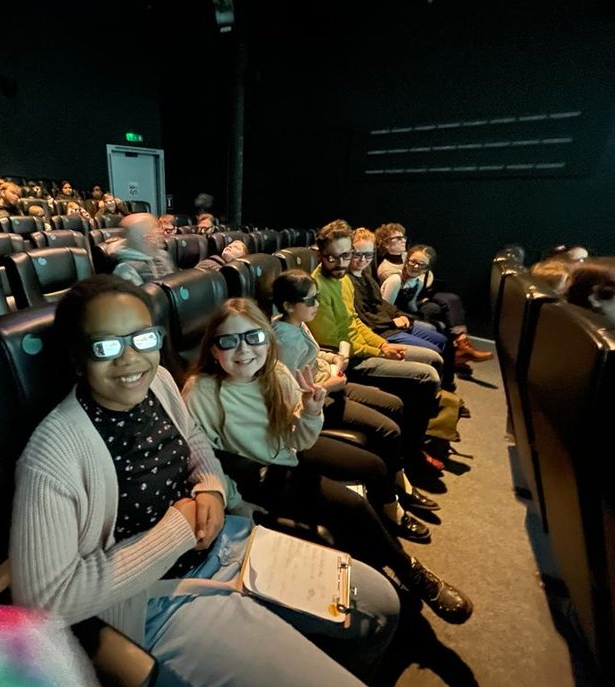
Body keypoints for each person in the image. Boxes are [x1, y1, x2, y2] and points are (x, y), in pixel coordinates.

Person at [10, 274, 402, 687]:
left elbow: (194, 441)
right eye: (106, 346)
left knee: (382, 604)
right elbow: (45, 601)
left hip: (227, 545)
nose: (131, 360)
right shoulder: (52, 452)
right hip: (156, 601)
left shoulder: (159, 380)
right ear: (76, 358)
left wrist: (211, 487)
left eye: (143, 338)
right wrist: (178, 530)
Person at [183, 297, 473, 624]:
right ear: (213, 350)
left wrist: (309, 412)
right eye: (229, 341)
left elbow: (299, 439)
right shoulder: (200, 392)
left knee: (375, 467)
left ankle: (387, 523)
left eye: (254, 337)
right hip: (258, 479)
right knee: (354, 507)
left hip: (288, 453)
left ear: (267, 339)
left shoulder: (274, 373)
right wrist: (237, 505)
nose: (245, 350)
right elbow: (203, 462)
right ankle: (408, 569)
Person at [271, 270, 441, 539]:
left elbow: (314, 354)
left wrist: (334, 359)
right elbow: (291, 394)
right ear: (288, 305)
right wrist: (328, 384)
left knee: (395, 405)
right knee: (389, 430)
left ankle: (399, 478)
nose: (317, 304)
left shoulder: (298, 323)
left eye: (317, 298)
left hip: (332, 383)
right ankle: (390, 505)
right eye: (311, 300)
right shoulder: (284, 340)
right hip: (318, 401)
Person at [305, 220, 445, 471]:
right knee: (427, 375)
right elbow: (337, 342)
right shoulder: (317, 289)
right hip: (346, 359)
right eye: (332, 258)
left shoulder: (344, 281)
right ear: (319, 255)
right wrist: (377, 350)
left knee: (434, 359)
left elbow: (355, 322)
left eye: (346, 255)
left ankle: (419, 438)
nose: (340, 264)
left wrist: (382, 345)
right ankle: (411, 454)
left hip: (361, 348)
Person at [349, 228, 455, 390]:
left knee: (443, 339)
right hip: (383, 329)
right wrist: (392, 321)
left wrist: (399, 315)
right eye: (358, 254)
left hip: (389, 322)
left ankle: (446, 386)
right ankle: (438, 390)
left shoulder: (365, 274)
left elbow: (380, 303)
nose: (363, 259)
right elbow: (363, 316)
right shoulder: (348, 280)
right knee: (434, 353)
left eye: (369, 255)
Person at [377, 240, 492, 369]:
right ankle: (449, 360)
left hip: (405, 315)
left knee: (439, 327)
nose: (415, 267)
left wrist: (419, 316)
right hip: (394, 318)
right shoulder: (395, 280)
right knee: (432, 329)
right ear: (406, 260)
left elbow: (411, 304)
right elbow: (385, 307)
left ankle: (454, 357)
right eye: (413, 262)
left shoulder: (417, 282)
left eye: (421, 265)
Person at [108, 213, 176, 285]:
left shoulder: (164, 255)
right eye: (155, 227)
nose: (161, 231)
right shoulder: (125, 270)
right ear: (147, 237)